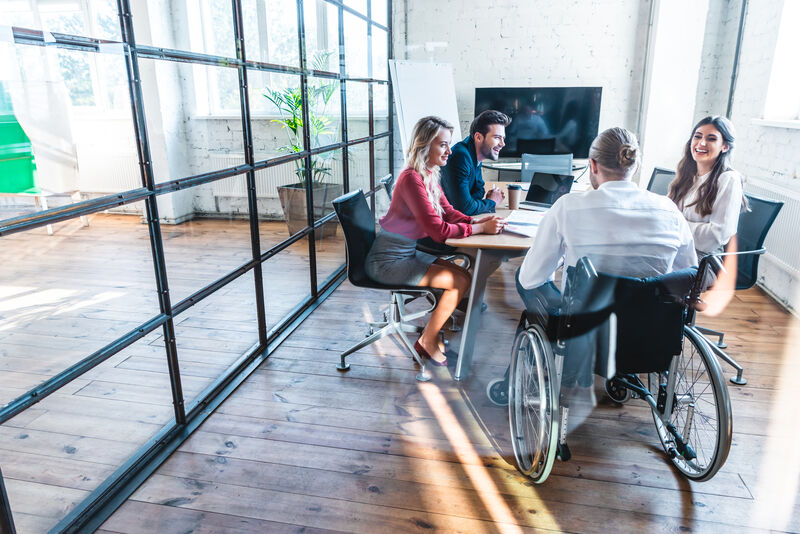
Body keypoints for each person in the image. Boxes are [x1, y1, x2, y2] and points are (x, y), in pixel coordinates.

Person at [516, 127, 697, 402]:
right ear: (635, 166)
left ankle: (542, 368)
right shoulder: (669, 210)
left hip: (585, 332)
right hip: (652, 333)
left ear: (592, 165)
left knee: (524, 276)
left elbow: (532, 279)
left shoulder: (568, 206)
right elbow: (687, 273)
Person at [366, 116, 504, 367]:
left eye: (449, 144)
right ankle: (426, 341)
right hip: (389, 260)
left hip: (405, 253)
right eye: (443, 145)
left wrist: (475, 222)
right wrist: (481, 227)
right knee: (458, 281)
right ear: (424, 145)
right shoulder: (411, 178)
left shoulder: (428, 174)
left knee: (464, 276)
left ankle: (431, 333)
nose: (449, 151)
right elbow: (439, 231)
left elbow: (449, 212)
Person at [668, 115, 747, 258]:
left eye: (711, 139)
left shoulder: (728, 179)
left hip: (702, 259)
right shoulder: (687, 174)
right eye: (697, 137)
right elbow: (668, 214)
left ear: (725, 146)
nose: (701, 143)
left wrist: (674, 225)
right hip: (676, 247)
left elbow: (716, 237)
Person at [439, 110, 511, 217]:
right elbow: (465, 208)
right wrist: (492, 202)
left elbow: (479, 190)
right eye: (497, 137)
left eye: (503, 138)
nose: (502, 144)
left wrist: (474, 202)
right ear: (478, 137)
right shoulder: (461, 156)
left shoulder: (475, 153)